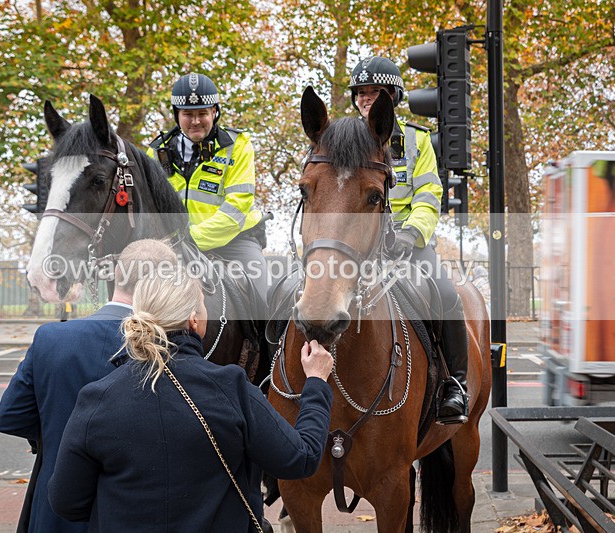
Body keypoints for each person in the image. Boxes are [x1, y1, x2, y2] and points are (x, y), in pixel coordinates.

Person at [48, 266, 334, 531]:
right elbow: (302, 458)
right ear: (194, 319)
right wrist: (316, 383)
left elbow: (66, 502)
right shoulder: (231, 389)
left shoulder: (96, 398)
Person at [0, 239, 177, 532]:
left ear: (117, 273)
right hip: (133, 511)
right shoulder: (168, 348)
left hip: (56, 511)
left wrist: (59, 434)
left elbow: (9, 417)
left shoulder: (51, 338)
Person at [349, 55, 469, 424]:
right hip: (356, 248)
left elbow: (430, 195)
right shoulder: (343, 140)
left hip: (407, 248)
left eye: (376, 92)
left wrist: (411, 235)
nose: (368, 98)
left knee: (446, 294)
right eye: (362, 93)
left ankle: (455, 385)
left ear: (394, 96)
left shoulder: (417, 141)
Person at [148, 72, 268, 300]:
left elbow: (237, 207)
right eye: (188, 114)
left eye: (202, 113)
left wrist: (190, 239)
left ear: (214, 112)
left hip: (234, 242)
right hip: (174, 245)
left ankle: (266, 337)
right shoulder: (156, 151)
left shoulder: (237, 146)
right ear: (177, 115)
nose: (195, 121)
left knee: (261, 295)